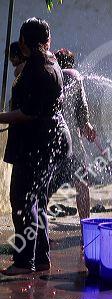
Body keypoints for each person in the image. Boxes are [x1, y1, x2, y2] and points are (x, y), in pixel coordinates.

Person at [0, 17, 72, 275]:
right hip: (50, 140)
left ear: (23, 42)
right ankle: (40, 258)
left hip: (37, 142)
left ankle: (24, 261)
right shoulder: (49, 62)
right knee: (37, 201)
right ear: (47, 40)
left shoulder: (37, 69)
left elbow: (28, 113)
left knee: (21, 200)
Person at [49, 48, 96, 219]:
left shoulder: (50, 76)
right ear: (71, 63)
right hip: (72, 141)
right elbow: (82, 109)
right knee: (82, 183)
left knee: (46, 186)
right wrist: (86, 126)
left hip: (51, 139)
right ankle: (86, 226)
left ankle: (40, 234)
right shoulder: (75, 76)